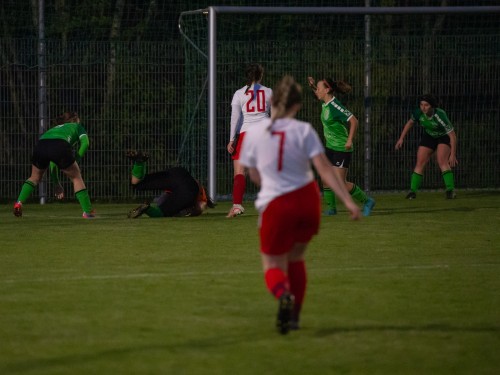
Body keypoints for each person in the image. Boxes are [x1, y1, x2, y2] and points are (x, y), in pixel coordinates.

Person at [239, 76, 362, 335]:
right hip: (306, 201)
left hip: (276, 202)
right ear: (296, 106)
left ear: (271, 102)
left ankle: (283, 295)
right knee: (296, 258)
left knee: (272, 264)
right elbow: (326, 171)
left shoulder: (255, 134)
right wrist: (349, 202)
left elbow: (254, 176)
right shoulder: (304, 131)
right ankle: (294, 318)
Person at [307, 76, 375, 217]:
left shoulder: (334, 106)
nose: (316, 92)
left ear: (326, 90)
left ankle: (367, 201)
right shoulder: (325, 102)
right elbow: (318, 93)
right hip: (330, 147)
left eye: (319, 89)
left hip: (341, 148)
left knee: (339, 183)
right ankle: (332, 209)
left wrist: (349, 140)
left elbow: (354, 121)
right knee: (325, 179)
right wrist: (313, 86)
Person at [13, 111, 94, 218]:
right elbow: (85, 143)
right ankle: (87, 212)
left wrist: (56, 183)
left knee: (34, 178)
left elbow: (53, 161)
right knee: (76, 177)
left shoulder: (54, 129)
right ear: (75, 120)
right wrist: (76, 159)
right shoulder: (77, 126)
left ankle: (18, 203)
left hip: (41, 145)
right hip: (59, 145)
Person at [226, 63, 273, 218]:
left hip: (247, 134)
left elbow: (235, 119)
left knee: (240, 171)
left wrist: (232, 139)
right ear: (260, 76)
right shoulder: (268, 92)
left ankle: (237, 206)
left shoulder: (239, 93)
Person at [395, 94, 458, 199]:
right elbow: (409, 123)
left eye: (426, 105)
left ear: (432, 106)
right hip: (430, 136)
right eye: (421, 104)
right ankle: (412, 192)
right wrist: (401, 138)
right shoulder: (418, 113)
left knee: (442, 160)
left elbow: (452, 135)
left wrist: (453, 154)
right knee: (420, 161)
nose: (423, 107)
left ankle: (450, 191)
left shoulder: (440, 115)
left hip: (443, 136)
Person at [126, 150, 214, 218]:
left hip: (178, 173)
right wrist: (193, 212)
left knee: (138, 184)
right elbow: (202, 206)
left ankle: (139, 162)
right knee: (163, 213)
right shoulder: (200, 196)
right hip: (187, 190)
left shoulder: (196, 185)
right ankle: (147, 208)